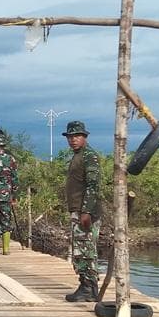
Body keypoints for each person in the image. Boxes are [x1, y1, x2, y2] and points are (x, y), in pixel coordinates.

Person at [62, 120, 101, 302]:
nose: (73, 140)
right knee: (80, 251)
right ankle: (86, 286)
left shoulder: (89, 156)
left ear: (84, 137)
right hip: (77, 211)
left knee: (85, 250)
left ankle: (89, 288)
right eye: (70, 137)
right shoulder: (78, 156)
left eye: (77, 136)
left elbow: (93, 185)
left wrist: (86, 212)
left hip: (86, 212)